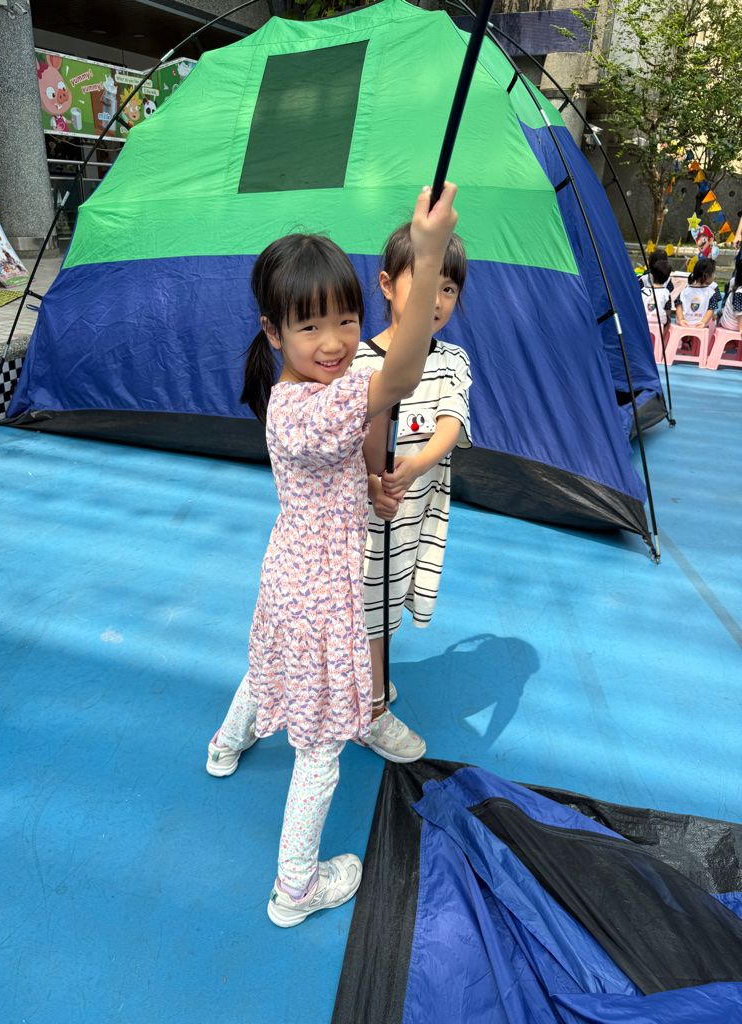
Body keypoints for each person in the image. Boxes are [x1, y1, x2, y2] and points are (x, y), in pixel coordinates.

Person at [205, 182, 459, 928]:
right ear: (273, 331)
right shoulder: (310, 407)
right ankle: (295, 887)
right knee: (320, 748)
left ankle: (225, 744)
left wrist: (374, 484)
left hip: (288, 574)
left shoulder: (312, 389)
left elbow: (366, 432)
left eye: (347, 320)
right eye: (311, 325)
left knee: (266, 666)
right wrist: (428, 252)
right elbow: (400, 375)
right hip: (323, 594)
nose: (336, 341)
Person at [350, 224, 471, 756]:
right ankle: (371, 710)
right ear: (386, 284)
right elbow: (348, 447)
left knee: (388, 607)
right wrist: (374, 480)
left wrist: (413, 466)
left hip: (416, 516)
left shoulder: (452, 360)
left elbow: (451, 424)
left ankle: (368, 680)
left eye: (448, 288)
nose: (436, 299)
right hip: (365, 522)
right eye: (423, 283)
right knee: (368, 610)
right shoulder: (357, 362)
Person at [674, 258, 721, 329]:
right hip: (700, 326)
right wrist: (703, 322)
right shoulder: (711, 293)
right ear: (707, 275)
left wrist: (681, 320)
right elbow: (711, 309)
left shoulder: (685, 290)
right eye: (713, 274)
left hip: (683, 324)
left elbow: (678, 305)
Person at [640, 259, 672, 326]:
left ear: (652, 275)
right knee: (668, 321)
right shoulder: (666, 292)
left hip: (643, 320)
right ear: (667, 278)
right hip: (660, 321)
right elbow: (668, 310)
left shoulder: (643, 290)